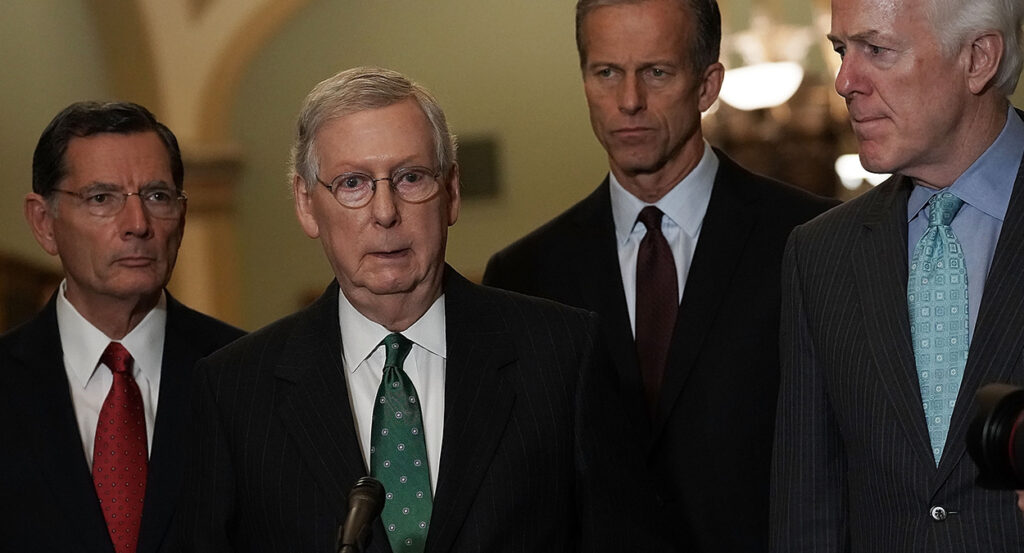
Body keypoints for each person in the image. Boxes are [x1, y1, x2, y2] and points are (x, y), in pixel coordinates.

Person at [175, 66, 645, 553]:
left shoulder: (562, 355)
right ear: (306, 204)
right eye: (353, 183)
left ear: (452, 193)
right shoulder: (234, 390)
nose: (385, 212)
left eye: (410, 177)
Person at [482, 1, 835, 550]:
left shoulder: (808, 240)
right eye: (606, 73)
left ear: (707, 85)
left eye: (656, 72)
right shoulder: (525, 274)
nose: (628, 101)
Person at [770, 0, 1024, 550]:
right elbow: (807, 513)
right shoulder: (819, 255)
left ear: (978, 58)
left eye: (876, 50)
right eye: (842, 50)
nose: (843, 81)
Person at [0, 101, 244, 553]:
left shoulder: (249, 378)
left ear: (183, 215)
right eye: (101, 198)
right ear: (43, 223)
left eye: (157, 196)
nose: (138, 225)